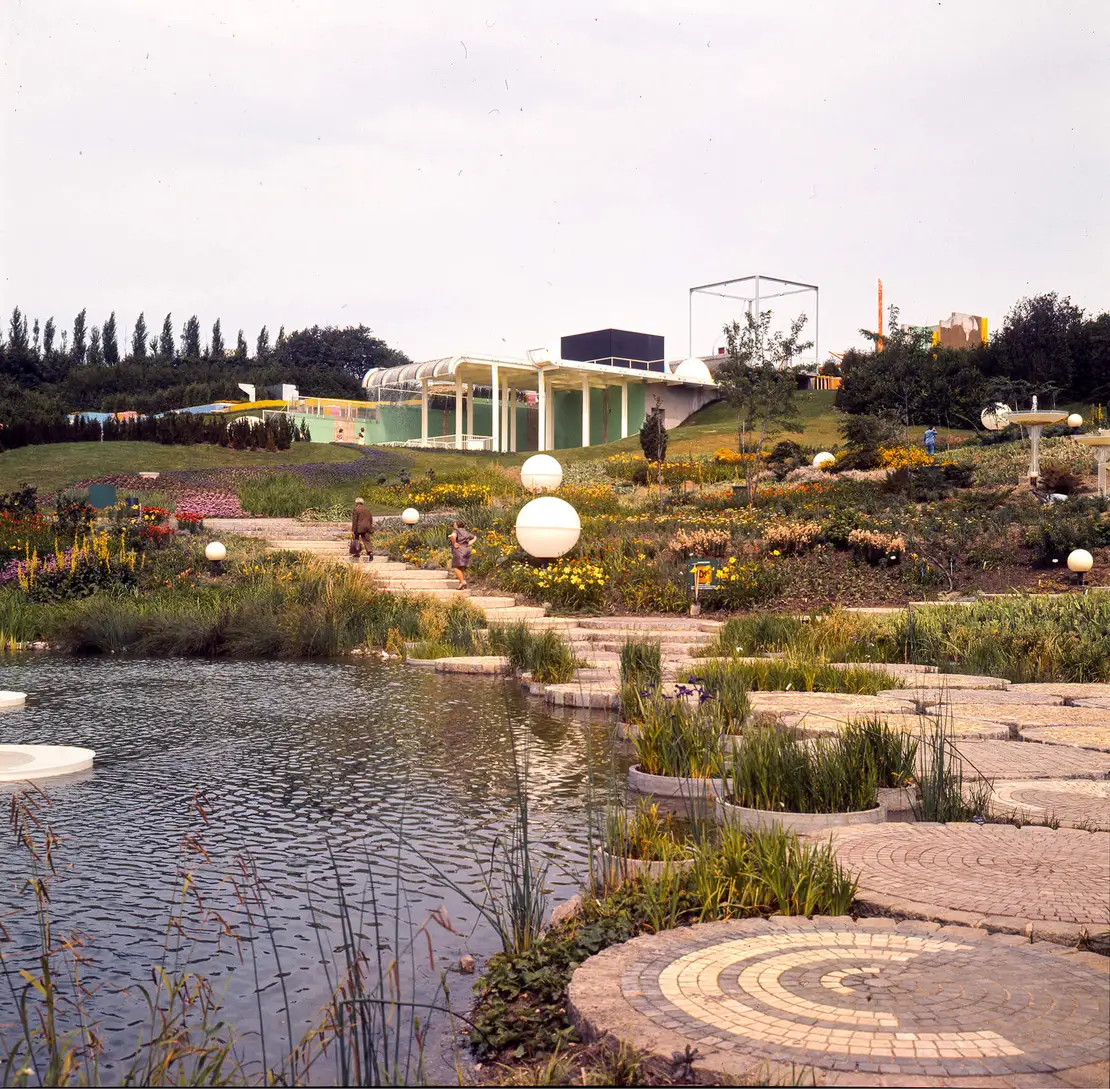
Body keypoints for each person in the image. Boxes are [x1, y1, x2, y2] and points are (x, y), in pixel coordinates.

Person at [449, 519, 475, 589]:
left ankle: (463, 582)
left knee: (455, 567)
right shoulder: (465, 531)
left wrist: (454, 543)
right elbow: (475, 537)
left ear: (457, 525)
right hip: (466, 550)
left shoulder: (456, 531)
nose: (453, 525)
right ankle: (461, 583)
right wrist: (471, 542)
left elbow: (453, 536)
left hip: (459, 550)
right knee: (461, 567)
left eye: (454, 524)